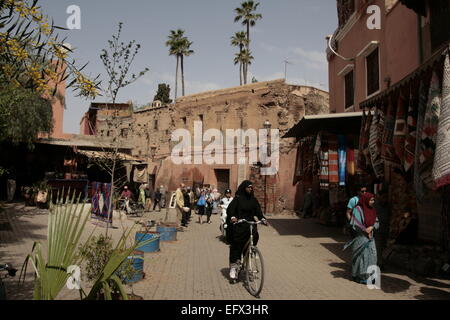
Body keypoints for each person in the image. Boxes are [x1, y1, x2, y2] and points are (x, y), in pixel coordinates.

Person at [226, 180, 268, 282]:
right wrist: (232, 217)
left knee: (255, 236)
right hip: (240, 224)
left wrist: (262, 218)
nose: (250, 188)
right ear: (244, 188)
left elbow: (258, 211)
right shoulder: (238, 198)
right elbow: (230, 210)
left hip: (250, 225)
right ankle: (233, 268)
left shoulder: (253, 200)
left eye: (251, 187)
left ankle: (249, 255)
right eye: (249, 187)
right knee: (236, 246)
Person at [344, 192, 379, 285]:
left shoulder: (372, 210)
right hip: (361, 237)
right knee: (362, 257)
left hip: (371, 238)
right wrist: (365, 230)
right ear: (366, 200)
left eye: (373, 200)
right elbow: (355, 223)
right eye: (371, 200)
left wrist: (372, 228)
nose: (373, 201)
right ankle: (360, 277)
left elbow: (376, 221)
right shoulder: (358, 209)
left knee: (372, 257)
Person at [373, 189, 390, 270]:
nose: (385, 199)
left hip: (386, 229)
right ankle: (379, 263)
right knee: (378, 247)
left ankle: (380, 261)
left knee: (383, 246)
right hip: (377, 230)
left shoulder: (388, 206)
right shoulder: (375, 205)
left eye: (386, 197)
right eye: (383, 197)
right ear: (379, 197)